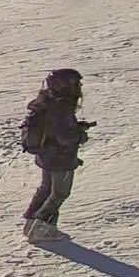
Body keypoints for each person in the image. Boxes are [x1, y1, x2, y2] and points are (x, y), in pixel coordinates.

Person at [20, 68, 92, 242]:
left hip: (46, 154)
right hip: (61, 157)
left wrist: (75, 126)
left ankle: (31, 223)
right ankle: (43, 227)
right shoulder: (62, 106)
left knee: (46, 188)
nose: (79, 87)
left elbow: (54, 128)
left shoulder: (45, 100)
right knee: (60, 193)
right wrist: (80, 135)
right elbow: (65, 137)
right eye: (76, 83)